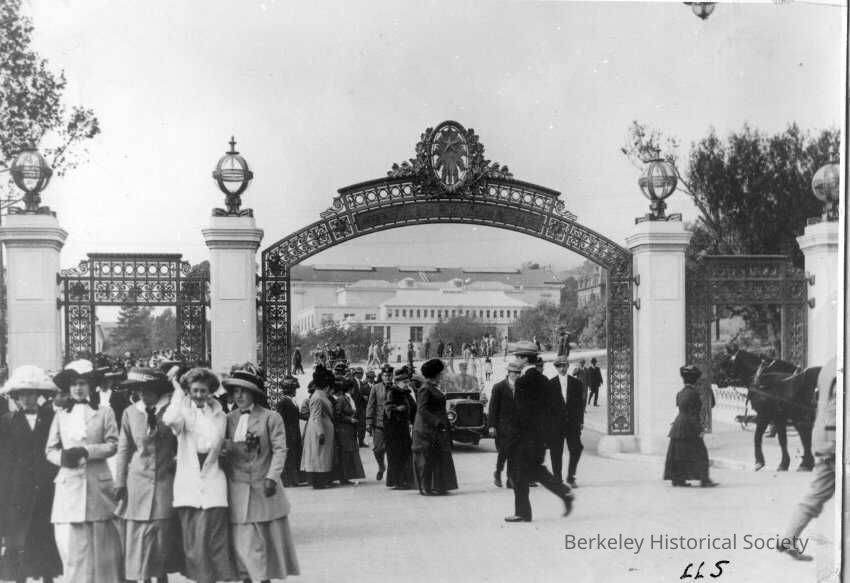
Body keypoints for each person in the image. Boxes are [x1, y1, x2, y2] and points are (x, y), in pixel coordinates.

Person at [46, 359, 124, 582]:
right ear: (68, 388)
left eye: (82, 383)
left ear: (91, 386)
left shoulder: (104, 412)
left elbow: (113, 444)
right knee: (74, 549)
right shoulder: (61, 414)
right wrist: (62, 458)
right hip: (70, 485)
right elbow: (50, 449)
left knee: (103, 547)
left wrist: (87, 451)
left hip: (97, 485)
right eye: (73, 384)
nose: (78, 388)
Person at [222, 366, 300, 582]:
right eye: (235, 391)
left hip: (264, 490)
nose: (239, 396)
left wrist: (272, 477)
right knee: (243, 547)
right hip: (238, 491)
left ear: (254, 394)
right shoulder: (228, 419)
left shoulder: (271, 418)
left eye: (244, 391)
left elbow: (280, 450)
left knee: (265, 547)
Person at [162, 367, 238, 583]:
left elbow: (220, 443)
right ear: (188, 390)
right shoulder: (183, 412)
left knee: (216, 540)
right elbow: (169, 419)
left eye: (203, 390)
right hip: (190, 483)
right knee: (195, 544)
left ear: (210, 391)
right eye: (194, 390)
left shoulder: (219, 414)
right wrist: (178, 394)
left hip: (214, 480)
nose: (198, 395)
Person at [114, 367, 183, 583]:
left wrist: (177, 462)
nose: (143, 394)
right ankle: (142, 578)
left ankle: (161, 576)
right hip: (137, 483)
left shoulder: (171, 412)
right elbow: (124, 449)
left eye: (148, 390)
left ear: (158, 390)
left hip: (165, 481)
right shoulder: (130, 413)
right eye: (140, 390)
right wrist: (119, 481)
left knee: (161, 537)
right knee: (138, 538)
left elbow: (183, 442)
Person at [0, 366, 63, 583]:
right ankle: (20, 578)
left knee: (44, 533)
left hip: (46, 485)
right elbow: (4, 458)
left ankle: (48, 577)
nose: (27, 399)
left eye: (31, 394)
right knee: (18, 537)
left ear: (38, 395)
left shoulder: (52, 418)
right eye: (22, 395)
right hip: (18, 487)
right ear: (16, 398)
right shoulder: (6, 421)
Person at [503, 342, 574, 523]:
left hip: (524, 437)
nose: (516, 360)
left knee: (521, 474)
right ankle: (564, 493)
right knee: (535, 471)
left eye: (518, 357)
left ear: (525, 359)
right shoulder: (544, 381)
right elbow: (553, 410)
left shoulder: (522, 382)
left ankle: (523, 513)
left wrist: (512, 438)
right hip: (539, 438)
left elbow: (520, 414)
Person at [778, 357, 837, 561]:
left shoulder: (830, 365)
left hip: (822, 436)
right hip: (836, 439)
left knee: (815, 495)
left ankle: (788, 539)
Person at [663, 365, 718, 488]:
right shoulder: (694, 394)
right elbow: (693, 414)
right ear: (695, 380)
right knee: (701, 453)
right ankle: (705, 480)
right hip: (689, 427)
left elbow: (682, 409)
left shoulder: (680, 393)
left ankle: (678, 479)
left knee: (678, 454)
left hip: (678, 426)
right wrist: (699, 429)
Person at [412, 359, 458, 496]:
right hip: (427, 429)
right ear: (435, 374)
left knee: (436, 457)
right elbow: (422, 409)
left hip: (435, 428)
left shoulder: (432, 387)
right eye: (441, 373)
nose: (442, 375)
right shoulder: (425, 388)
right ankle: (425, 487)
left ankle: (437, 486)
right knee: (427, 458)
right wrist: (437, 422)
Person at [548, 356, 585, 488]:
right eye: (559, 366)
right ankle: (557, 478)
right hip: (556, 424)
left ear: (568, 366)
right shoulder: (550, 384)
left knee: (576, 448)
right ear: (556, 367)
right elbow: (547, 407)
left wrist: (580, 421)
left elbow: (580, 405)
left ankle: (571, 476)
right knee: (555, 451)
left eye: (564, 365)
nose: (562, 368)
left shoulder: (576, 383)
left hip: (572, 423)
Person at [301, 366, 336, 489]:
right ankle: (318, 482)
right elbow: (316, 417)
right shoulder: (318, 397)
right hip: (319, 430)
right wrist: (320, 433)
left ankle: (322, 480)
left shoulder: (319, 395)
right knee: (319, 456)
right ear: (327, 386)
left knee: (321, 456)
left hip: (322, 429)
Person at [488, 359, 521, 489]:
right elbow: (493, 407)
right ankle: (498, 472)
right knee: (504, 451)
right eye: (515, 373)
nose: (517, 375)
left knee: (514, 453)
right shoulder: (499, 387)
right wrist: (492, 425)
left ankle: (510, 478)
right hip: (503, 426)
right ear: (509, 372)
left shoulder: (521, 387)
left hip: (517, 426)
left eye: (519, 373)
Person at [383, 366, 417, 490]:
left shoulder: (406, 393)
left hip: (403, 429)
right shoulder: (392, 392)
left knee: (405, 454)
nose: (407, 384)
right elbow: (387, 409)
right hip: (394, 431)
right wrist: (397, 409)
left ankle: (405, 480)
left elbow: (413, 408)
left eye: (408, 382)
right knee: (396, 455)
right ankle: (398, 481)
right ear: (397, 382)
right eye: (404, 382)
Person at [331, 371, 365, 485]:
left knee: (349, 453)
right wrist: (349, 419)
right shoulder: (342, 399)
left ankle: (347, 476)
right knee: (345, 454)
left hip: (350, 430)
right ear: (351, 389)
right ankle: (344, 477)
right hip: (344, 430)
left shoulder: (348, 398)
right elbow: (337, 414)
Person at [365, 364, 393, 481]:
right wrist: (368, 421)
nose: (387, 378)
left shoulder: (395, 387)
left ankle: (392, 473)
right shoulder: (376, 388)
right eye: (385, 375)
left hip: (392, 423)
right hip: (379, 423)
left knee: (392, 449)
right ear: (382, 376)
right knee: (378, 449)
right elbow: (370, 405)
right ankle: (381, 466)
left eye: (389, 375)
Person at [276, 376, 304, 487]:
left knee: (294, 455)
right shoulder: (283, 402)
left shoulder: (291, 400)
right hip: (288, 433)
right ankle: (287, 480)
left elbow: (296, 415)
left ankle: (294, 479)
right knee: (289, 457)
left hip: (294, 432)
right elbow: (281, 419)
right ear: (289, 389)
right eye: (294, 389)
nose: (295, 391)